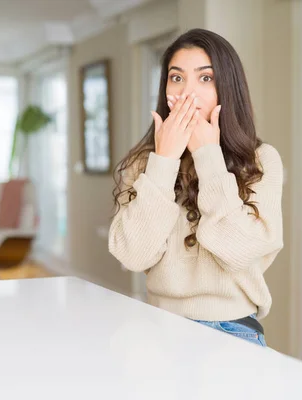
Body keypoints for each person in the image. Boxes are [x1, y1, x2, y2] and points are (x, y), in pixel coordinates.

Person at [108, 28, 283, 347]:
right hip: (158, 327)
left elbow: (239, 252)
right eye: (176, 78)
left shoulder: (261, 160)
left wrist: (208, 156)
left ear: (226, 88)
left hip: (232, 330)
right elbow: (133, 256)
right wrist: (164, 160)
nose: (188, 92)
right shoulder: (144, 163)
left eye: (205, 78)